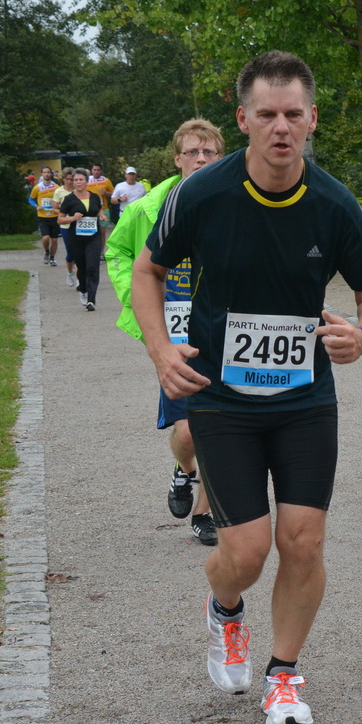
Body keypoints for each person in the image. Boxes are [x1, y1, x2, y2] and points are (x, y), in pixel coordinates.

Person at [133, 49, 362, 724]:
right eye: (267, 114)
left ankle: (284, 673)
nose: (282, 127)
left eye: (294, 114)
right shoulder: (203, 194)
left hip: (305, 397)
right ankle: (224, 608)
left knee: (302, 541)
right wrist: (161, 351)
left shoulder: (335, 204)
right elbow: (147, 270)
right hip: (222, 398)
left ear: (313, 119)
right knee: (244, 554)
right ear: (243, 119)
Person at [107, 119, 225, 546]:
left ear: (220, 156)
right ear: (177, 159)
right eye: (192, 152)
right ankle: (185, 470)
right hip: (171, 333)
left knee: (221, 428)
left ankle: (205, 513)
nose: (201, 159)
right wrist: (138, 303)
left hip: (222, 329)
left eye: (209, 153)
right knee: (189, 432)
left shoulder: (235, 202)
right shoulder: (147, 208)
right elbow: (118, 251)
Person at [57, 168, 107, 311]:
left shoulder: (95, 196)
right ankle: (83, 290)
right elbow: (60, 220)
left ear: (86, 181)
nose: (78, 182)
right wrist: (73, 218)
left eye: (81, 180)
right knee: (82, 267)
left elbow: (98, 210)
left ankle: (91, 300)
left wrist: (101, 216)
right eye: (76, 180)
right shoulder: (69, 199)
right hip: (77, 238)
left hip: (93, 237)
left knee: (93, 266)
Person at [30, 168, 62, 267]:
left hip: (54, 216)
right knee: (45, 238)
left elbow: (60, 198)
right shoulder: (37, 187)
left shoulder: (56, 187)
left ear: (51, 174)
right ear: (42, 174)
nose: (47, 174)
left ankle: (52, 258)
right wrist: (36, 206)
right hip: (42, 216)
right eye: (45, 172)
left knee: (55, 240)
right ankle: (47, 251)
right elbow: (31, 199)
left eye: (48, 173)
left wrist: (59, 205)